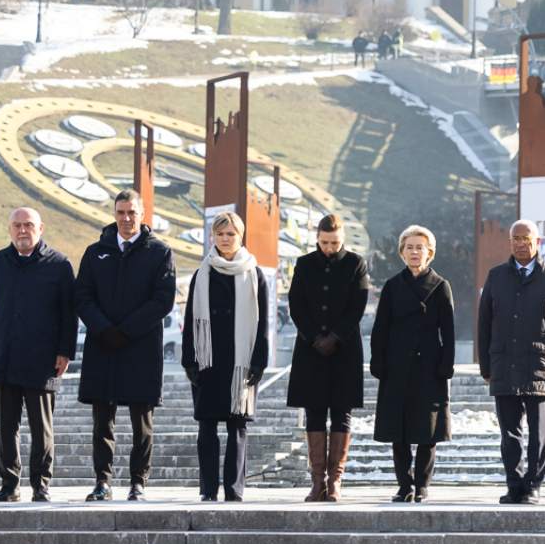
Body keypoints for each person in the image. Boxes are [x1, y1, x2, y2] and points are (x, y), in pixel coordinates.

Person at [74, 189, 177, 501]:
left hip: (141, 349)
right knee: (102, 421)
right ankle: (102, 483)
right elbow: (82, 296)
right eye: (121, 212)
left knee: (141, 423)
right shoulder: (95, 253)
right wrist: (105, 329)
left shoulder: (159, 252)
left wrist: (127, 331)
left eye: (132, 212)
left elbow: (163, 300)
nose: (126, 218)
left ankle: (138, 483)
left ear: (142, 214)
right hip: (102, 346)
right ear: (114, 214)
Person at [0, 207, 77, 502]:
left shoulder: (59, 265)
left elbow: (69, 316)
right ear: (10, 229)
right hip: (2, 356)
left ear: (40, 228)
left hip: (42, 360)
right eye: (17, 225)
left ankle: (41, 484)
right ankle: (9, 485)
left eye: (28, 225)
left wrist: (65, 351)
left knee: (41, 426)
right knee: (7, 426)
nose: (22, 230)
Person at [479, 218, 545, 504]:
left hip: (539, 366)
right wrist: (486, 367)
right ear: (510, 242)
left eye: (526, 239)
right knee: (509, 434)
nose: (521, 243)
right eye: (516, 239)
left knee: (538, 434)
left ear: (538, 242)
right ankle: (514, 484)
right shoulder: (496, 276)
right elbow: (484, 324)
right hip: (504, 366)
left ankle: (533, 484)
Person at [180, 212, 270, 503]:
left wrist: (259, 361)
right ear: (212, 237)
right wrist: (189, 360)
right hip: (208, 360)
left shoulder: (254, 274)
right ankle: (208, 489)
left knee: (238, 426)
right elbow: (190, 319)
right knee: (206, 426)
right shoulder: (201, 274)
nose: (225, 239)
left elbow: (263, 322)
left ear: (240, 236)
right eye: (220, 234)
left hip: (240, 360)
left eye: (230, 233)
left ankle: (234, 489)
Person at [285, 214, 370, 502]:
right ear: (317, 238)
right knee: (315, 412)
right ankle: (316, 481)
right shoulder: (304, 263)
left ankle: (335, 481)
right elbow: (296, 304)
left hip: (344, 349)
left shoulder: (356, 263)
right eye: (324, 242)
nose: (329, 248)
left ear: (342, 238)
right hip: (311, 350)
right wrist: (313, 337)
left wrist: (335, 337)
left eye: (334, 242)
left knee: (342, 413)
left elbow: (357, 306)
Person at [371, 225, 455, 502]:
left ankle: (422, 484)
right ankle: (404, 484)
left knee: (427, 429)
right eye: (410, 247)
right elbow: (380, 327)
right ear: (402, 252)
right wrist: (378, 360)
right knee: (400, 428)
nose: (415, 252)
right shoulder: (393, 286)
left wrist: (446, 364)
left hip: (429, 367)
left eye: (420, 247)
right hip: (397, 365)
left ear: (429, 252)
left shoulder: (441, 286)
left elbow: (449, 331)